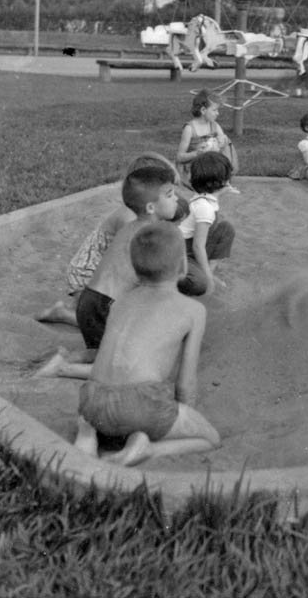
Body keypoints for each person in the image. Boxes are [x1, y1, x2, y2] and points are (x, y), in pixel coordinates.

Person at [74, 221, 221, 467]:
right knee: (211, 438)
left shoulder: (120, 301)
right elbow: (185, 383)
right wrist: (182, 413)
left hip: (92, 401)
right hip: (141, 405)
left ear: (134, 267)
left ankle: (87, 435)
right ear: (184, 266)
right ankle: (147, 449)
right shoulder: (193, 310)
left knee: (106, 412)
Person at [35, 164, 184, 378]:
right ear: (151, 208)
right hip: (108, 305)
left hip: (89, 300)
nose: (176, 199)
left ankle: (67, 357)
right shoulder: (153, 235)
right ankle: (64, 369)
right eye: (170, 195)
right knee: (126, 365)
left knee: (104, 350)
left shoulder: (129, 227)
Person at [35, 152, 188, 327]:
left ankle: (78, 307)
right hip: (87, 274)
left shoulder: (143, 212)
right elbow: (132, 266)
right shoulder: (129, 220)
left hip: (107, 278)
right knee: (114, 322)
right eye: (168, 192)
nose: (174, 196)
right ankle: (63, 314)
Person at [177, 151, 236, 297]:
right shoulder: (205, 208)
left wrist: (220, 193)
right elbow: (198, 246)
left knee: (226, 229)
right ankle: (206, 276)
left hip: (188, 245)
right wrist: (208, 280)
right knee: (199, 284)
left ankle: (207, 270)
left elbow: (210, 198)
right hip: (182, 252)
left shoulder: (204, 198)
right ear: (222, 181)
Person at [176, 89, 238, 187]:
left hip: (210, 165)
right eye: (214, 110)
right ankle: (221, 179)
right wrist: (197, 153)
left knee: (226, 140)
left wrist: (220, 142)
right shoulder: (190, 129)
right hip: (194, 169)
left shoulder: (214, 125)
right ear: (203, 110)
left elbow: (223, 144)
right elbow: (179, 157)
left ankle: (226, 175)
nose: (217, 113)